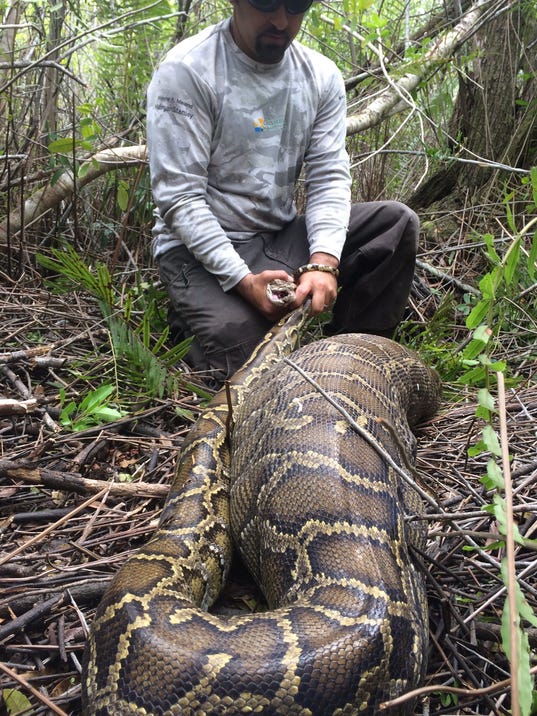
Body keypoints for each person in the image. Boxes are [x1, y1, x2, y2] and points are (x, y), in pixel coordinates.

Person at [147, 0, 418, 387]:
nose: (280, 20)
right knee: (253, 366)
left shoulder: (320, 76)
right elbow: (179, 198)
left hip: (277, 236)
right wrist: (242, 280)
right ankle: (197, 321)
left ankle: (355, 362)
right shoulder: (188, 71)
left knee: (396, 225)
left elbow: (328, 176)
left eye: (295, 6)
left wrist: (323, 261)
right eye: (266, 3)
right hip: (197, 253)